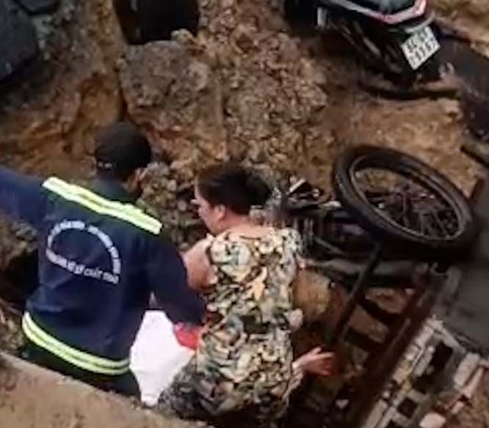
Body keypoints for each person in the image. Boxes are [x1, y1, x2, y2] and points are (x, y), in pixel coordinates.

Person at [0, 122, 205, 396]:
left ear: (95, 164)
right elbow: (180, 307)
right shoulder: (148, 235)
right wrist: (202, 314)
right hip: (99, 367)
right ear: (138, 175)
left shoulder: (54, 199)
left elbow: (6, 184)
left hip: (39, 342)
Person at [157, 162, 333, 426]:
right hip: (273, 381)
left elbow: (171, 291)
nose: (200, 214)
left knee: (158, 414)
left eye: (201, 207)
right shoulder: (288, 241)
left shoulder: (212, 252)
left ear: (219, 211)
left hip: (219, 380)